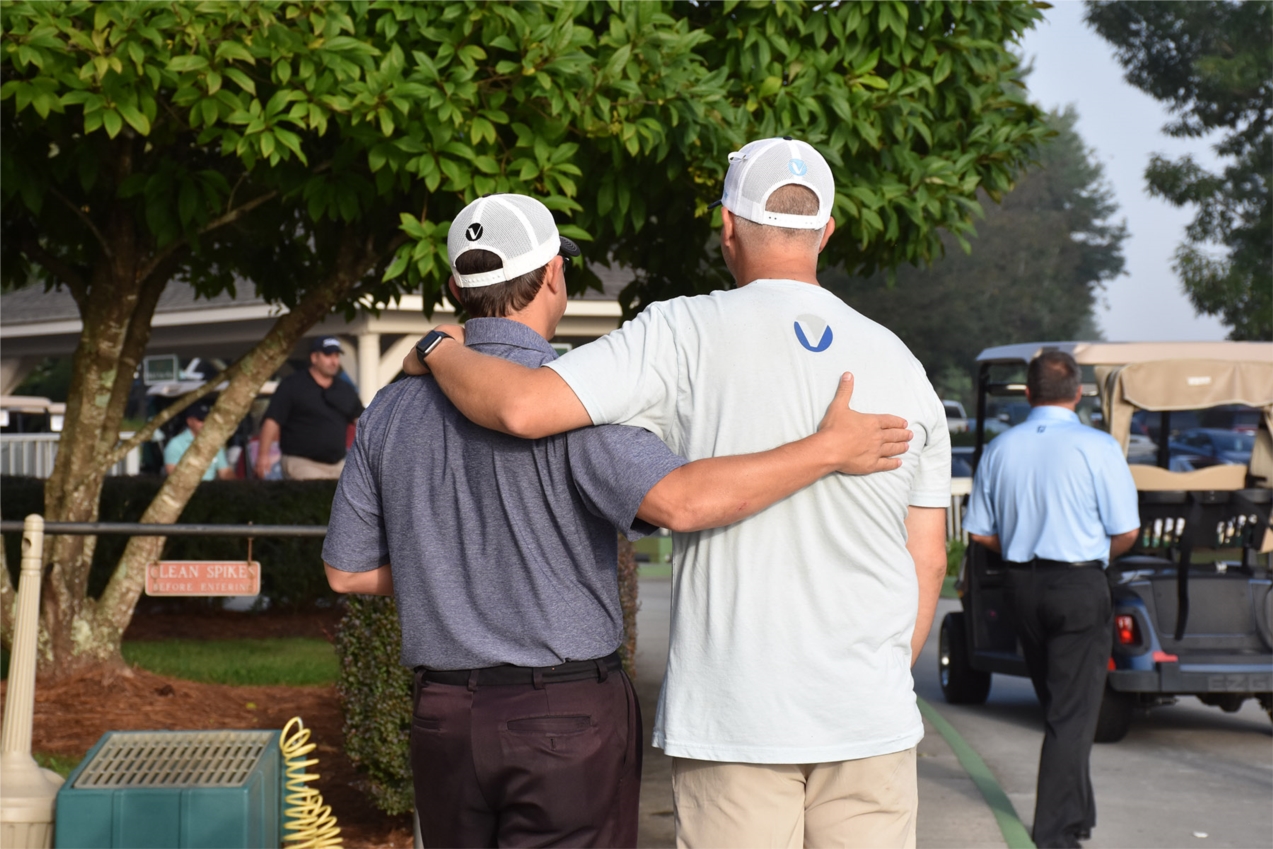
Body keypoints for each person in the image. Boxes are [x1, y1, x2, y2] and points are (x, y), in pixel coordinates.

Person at [404, 139, 951, 848]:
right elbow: (927, 558)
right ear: (828, 230)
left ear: (726, 226)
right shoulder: (900, 362)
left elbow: (521, 409)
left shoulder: (680, 331)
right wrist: (870, 678)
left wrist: (437, 349)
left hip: (737, 715)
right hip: (868, 719)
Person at [964, 350, 1140, 849]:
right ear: (1078, 392)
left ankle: (1077, 813)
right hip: (1079, 584)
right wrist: (1088, 550)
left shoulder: (1000, 448)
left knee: (1062, 708)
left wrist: (1023, 540)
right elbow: (1126, 531)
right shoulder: (1097, 446)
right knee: (1071, 712)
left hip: (1023, 586)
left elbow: (979, 533)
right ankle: (1057, 834)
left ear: (1027, 392)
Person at [255, 336, 363, 480]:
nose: (334, 361)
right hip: (301, 463)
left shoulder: (345, 389)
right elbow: (272, 420)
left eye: (336, 356)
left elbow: (362, 420)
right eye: (328, 355)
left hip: (337, 464)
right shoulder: (292, 385)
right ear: (314, 357)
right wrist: (263, 456)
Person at [163, 400, 234, 480]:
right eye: (201, 419)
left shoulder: (214, 443)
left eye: (208, 419)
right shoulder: (175, 444)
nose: (205, 423)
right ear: (189, 421)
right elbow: (173, 476)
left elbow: (224, 472)